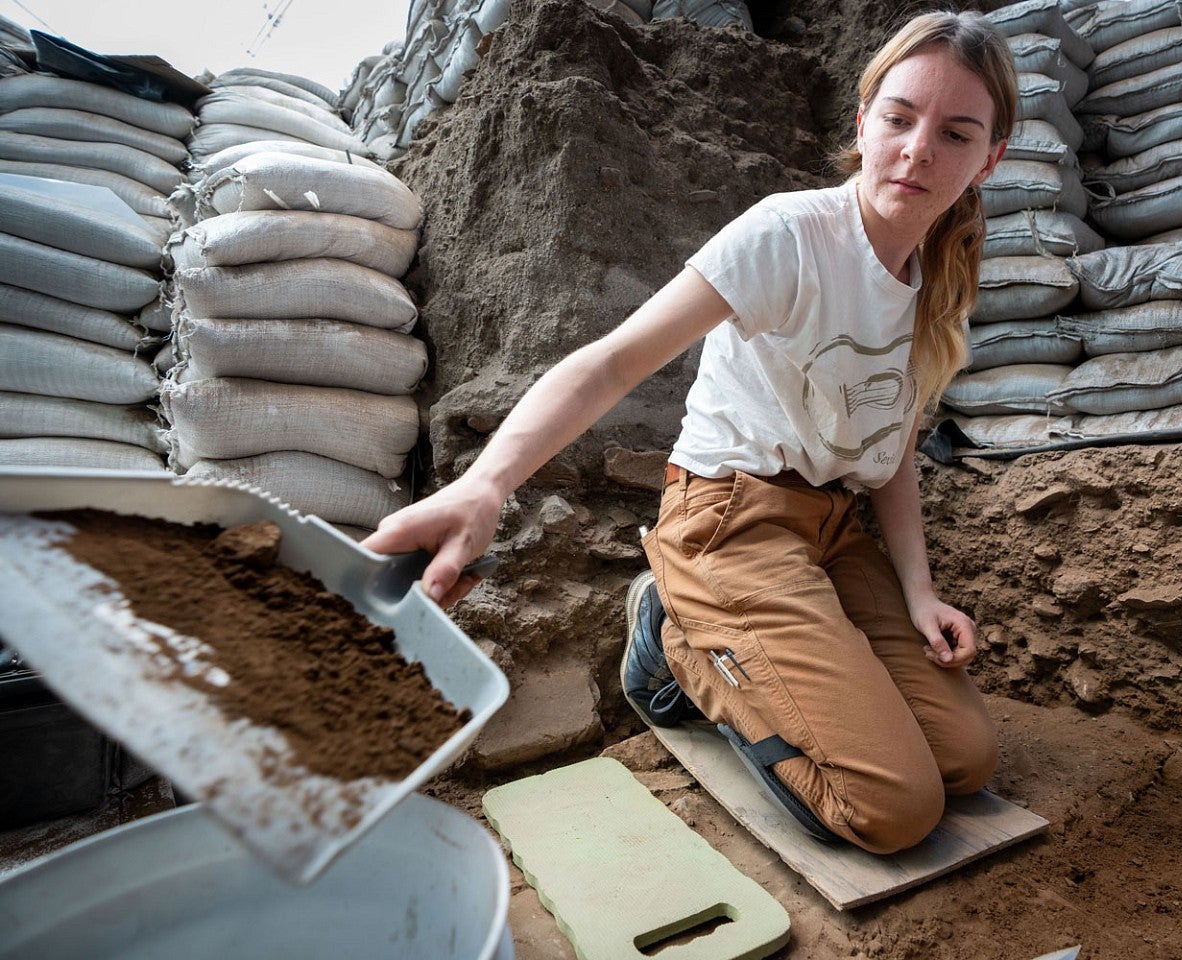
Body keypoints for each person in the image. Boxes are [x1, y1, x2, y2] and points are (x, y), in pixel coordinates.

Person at [362, 9, 1016, 854]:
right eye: (899, 117)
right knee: (894, 809)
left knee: (966, 759)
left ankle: (724, 640)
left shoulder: (939, 277)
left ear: (989, 157)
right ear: (865, 122)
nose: (919, 149)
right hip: (728, 524)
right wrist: (485, 484)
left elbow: (890, 453)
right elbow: (610, 362)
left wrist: (920, 591)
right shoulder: (791, 235)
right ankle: (675, 639)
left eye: (956, 133)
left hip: (830, 535)